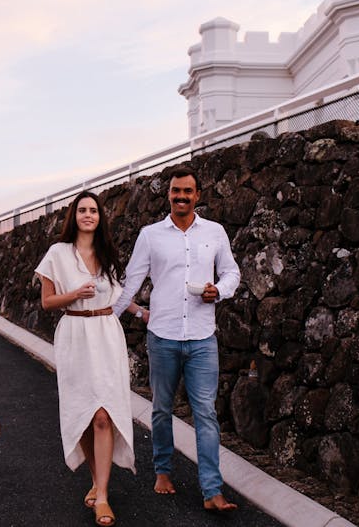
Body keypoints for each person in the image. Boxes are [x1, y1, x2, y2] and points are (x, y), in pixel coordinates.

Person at [112, 166, 241, 513]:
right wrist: (105, 316)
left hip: (202, 339)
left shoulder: (214, 232)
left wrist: (221, 290)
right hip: (163, 337)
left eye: (187, 191)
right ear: (168, 194)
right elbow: (131, 282)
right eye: (175, 191)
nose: (181, 197)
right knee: (161, 409)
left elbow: (232, 272)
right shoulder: (150, 235)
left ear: (198, 195)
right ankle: (163, 470)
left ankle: (212, 490)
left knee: (206, 414)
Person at [35, 191, 146, 527]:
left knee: (104, 414)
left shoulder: (108, 253)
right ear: (74, 216)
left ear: (100, 217)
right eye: (82, 210)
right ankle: (97, 484)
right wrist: (75, 294)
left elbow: (119, 296)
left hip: (106, 333)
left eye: (93, 210)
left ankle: (102, 495)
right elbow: (48, 302)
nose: (87, 215)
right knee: (84, 412)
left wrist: (141, 312)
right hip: (74, 334)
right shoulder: (57, 253)